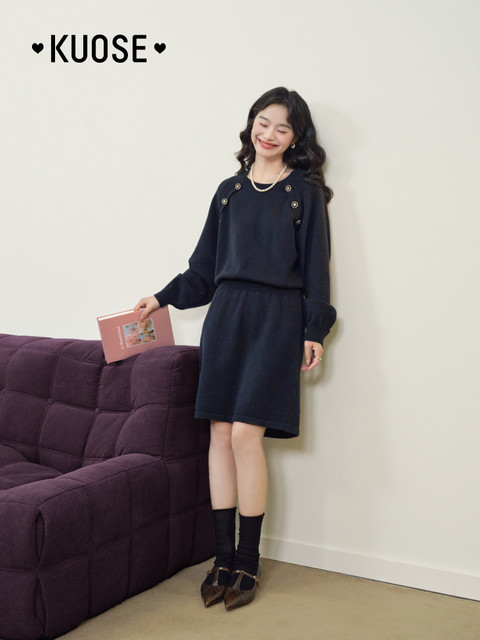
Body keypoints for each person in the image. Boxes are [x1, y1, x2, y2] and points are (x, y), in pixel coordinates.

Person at [135, 87, 336, 611]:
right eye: (262, 122)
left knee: (247, 435)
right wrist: (160, 298)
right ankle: (221, 557)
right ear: (251, 125)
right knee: (220, 435)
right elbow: (203, 270)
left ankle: (248, 559)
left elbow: (316, 269)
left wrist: (314, 330)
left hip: (276, 319)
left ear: (296, 138)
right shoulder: (228, 192)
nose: (268, 134)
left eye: (282, 128)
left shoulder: (304, 194)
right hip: (226, 317)